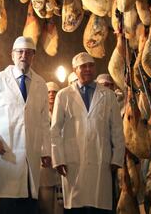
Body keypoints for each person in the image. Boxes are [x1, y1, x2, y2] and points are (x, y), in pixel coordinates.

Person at [0, 36, 52, 214]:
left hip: (31, 155)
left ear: (34, 56)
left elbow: (43, 122)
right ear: (12, 55)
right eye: (19, 52)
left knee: (30, 203)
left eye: (28, 52)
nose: (23, 55)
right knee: (9, 203)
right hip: (7, 152)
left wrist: (46, 151)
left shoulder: (41, 84)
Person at [50, 52, 125, 214]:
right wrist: (58, 158)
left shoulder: (108, 95)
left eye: (91, 66)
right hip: (73, 162)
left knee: (100, 206)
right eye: (83, 66)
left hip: (101, 160)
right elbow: (55, 130)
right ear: (75, 70)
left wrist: (117, 157)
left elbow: (117, 129)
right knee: (76, 207)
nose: (88, 70)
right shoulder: (63, 96)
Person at [38, 82, 64, 214]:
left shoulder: (63, 113)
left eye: (54, 92)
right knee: (46, 204)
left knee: (60, 207)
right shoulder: (39, 114)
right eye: (49, 92)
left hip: (62, 162)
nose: (51, 95)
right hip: (45, 164)